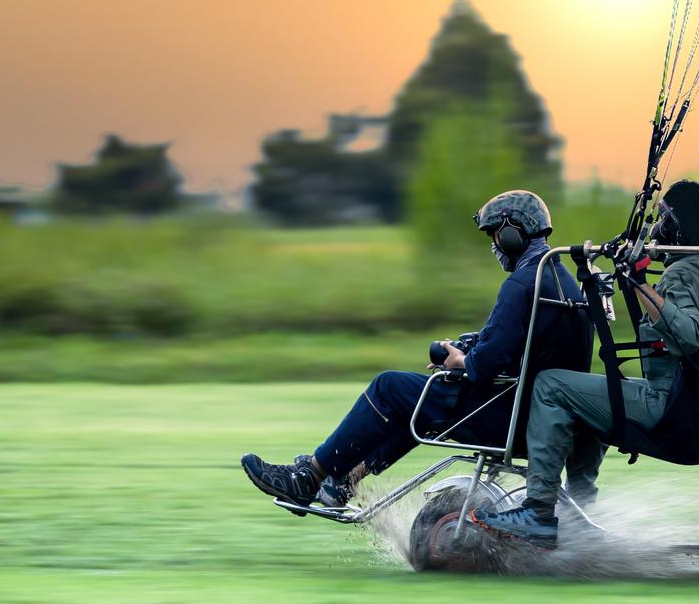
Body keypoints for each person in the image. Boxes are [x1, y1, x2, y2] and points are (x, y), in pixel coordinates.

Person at [240, 190, 590, 509]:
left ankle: (309, 478)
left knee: (389, 386)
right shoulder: (561, 280)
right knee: (422, 398)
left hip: (510, 420)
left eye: (495, 234)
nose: (495, 245)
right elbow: (520, 346)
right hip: (541, 419)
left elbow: (483, 366)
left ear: (514, 231)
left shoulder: (520, 284)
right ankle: (342, 481)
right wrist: (469, 350)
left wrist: (459, 359)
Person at [471, 180, 699, 547]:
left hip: (669, 406)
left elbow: (687, 333)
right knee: (584, 396)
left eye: (664, 220)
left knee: (550, 385)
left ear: (678, 228)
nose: (657, 229)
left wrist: (638, 283)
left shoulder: (685, 272)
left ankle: (539, 510)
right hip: (687, 405)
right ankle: (578, 513)